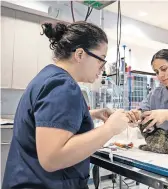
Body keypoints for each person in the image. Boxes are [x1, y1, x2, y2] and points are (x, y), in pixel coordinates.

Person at [2, 21, 130, 189]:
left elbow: (45, 121)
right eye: (101, 59)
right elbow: (52, 158)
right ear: (79, 55)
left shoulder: (50, 76)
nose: (103, 68)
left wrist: (89, 115)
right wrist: (110, 129)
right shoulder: (63, 86)